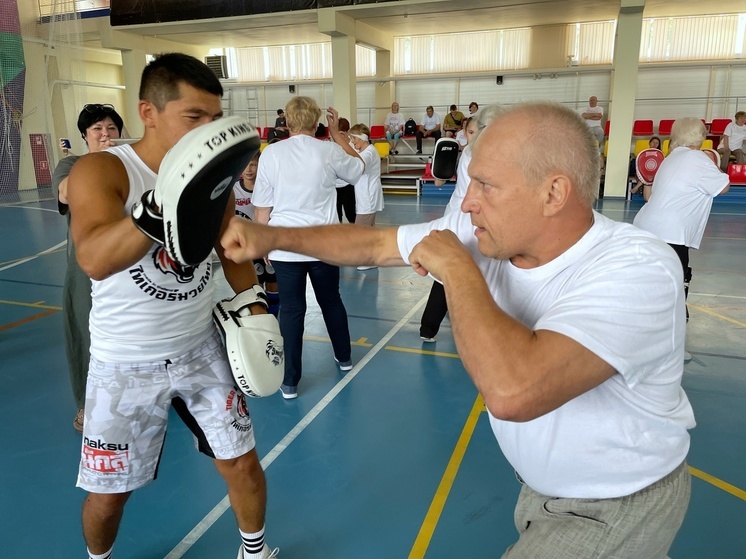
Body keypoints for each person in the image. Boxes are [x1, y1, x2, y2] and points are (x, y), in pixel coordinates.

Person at [222, 101, 694, 559]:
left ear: (553, 193)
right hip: (543, 490)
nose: (467, 202)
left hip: (615, 504)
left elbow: (513, 390)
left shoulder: (638, 266)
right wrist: (275, 236)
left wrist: (457, 267)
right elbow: (372, 243)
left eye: (486, 185)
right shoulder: (488, 234)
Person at [66, 53, 278, 559]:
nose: (208, 130)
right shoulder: (102, 169)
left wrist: (253, 307)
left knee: (242, 462)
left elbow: (232, 248)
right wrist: (160, 203)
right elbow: (94, 258)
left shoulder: (217, 173)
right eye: (194, 117)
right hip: (124, 361)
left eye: (214, 117)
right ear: (148, 111)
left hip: (199, 347)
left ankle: (255, 552)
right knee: (110, 493)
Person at [251, 96, 364, 400]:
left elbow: (262, 205)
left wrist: (263, 238)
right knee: (331, 301)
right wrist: (339, 135)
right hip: (323, 243)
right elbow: (359, 168)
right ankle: (344, 358)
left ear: (286, 123)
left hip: (285, 244)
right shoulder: (328, 150)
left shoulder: (271, 154)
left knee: (291, 309)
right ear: (317, 124)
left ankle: (289, 382)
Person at [51, 103, 125, 434]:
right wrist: (97, 165)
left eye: (111, 128)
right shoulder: (72, 165)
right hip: (86, 268)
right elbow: (66, 193)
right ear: (85, 136)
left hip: (128, 264)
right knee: (85, 333)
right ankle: (86, 402)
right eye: (97, 129)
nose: (105, 134)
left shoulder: (130, 166)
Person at [634, 117, 730, 350]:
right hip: (670, 233)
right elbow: (723, 186)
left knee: (652, 283)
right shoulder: (697, 158)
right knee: (675, 286)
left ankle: (643, 336)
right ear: (700, 136)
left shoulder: (670, 158)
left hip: (646, 226)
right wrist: (713, 161)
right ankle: (666, 344)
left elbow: (651, 196)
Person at [420, 109, 496, 342]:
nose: (475, 135)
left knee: (474, 271)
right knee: (450, 271)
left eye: (479, 131)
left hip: (477, 218)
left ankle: (444, 322)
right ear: (464, 132)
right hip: (461, 218)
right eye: (471, 131)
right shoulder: (473, 156)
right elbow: (439, 180)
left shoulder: (478, 154)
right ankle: (430, 327)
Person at [233, 152, 281, 316]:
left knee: (273, 280)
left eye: (253, 164)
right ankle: (263, 317)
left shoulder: (269, 188)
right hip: (247, 246)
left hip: (267, 243)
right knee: (255, 283)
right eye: (246, 164)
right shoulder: (234, 190)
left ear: (260, 165)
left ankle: (274, 317)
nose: (249, 169)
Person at [348, 123, 384, 271]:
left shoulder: (369, 152)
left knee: (362, 229)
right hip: (364, 195)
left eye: (353, 139)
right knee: (368, 228)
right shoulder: (364, 151)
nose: (352, 142)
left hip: (368, 197)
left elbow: (360, 166)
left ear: (361, 138)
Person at [335, 117, 356, 224]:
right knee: (336, 216)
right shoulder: (331, 145)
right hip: (334, 186)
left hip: (348, 185)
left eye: (341, 133)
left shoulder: (353, 145)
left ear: (347, 132)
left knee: (351, 214)